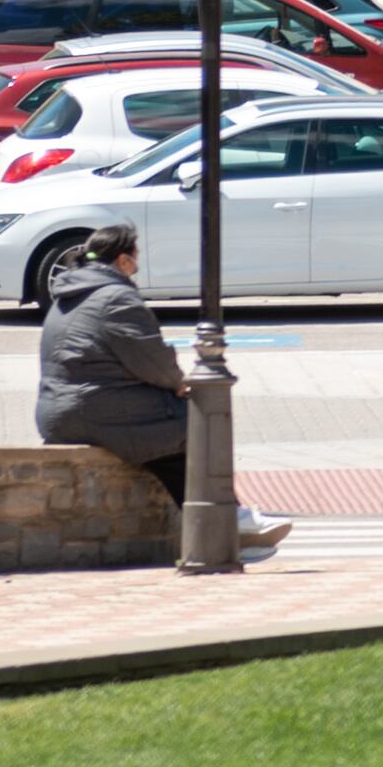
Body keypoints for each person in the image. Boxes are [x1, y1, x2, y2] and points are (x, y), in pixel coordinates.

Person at [33, 225, 289, 558]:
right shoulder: (117, 298)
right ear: (124, 260)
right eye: (136, 259)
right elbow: (151, 359)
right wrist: (178, 384)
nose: (137, 268)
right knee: (197, 421)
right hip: (92, 409)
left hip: (59, 411)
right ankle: (229, 520)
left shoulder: (69, 296)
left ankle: (226, 526)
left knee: (170, 448)